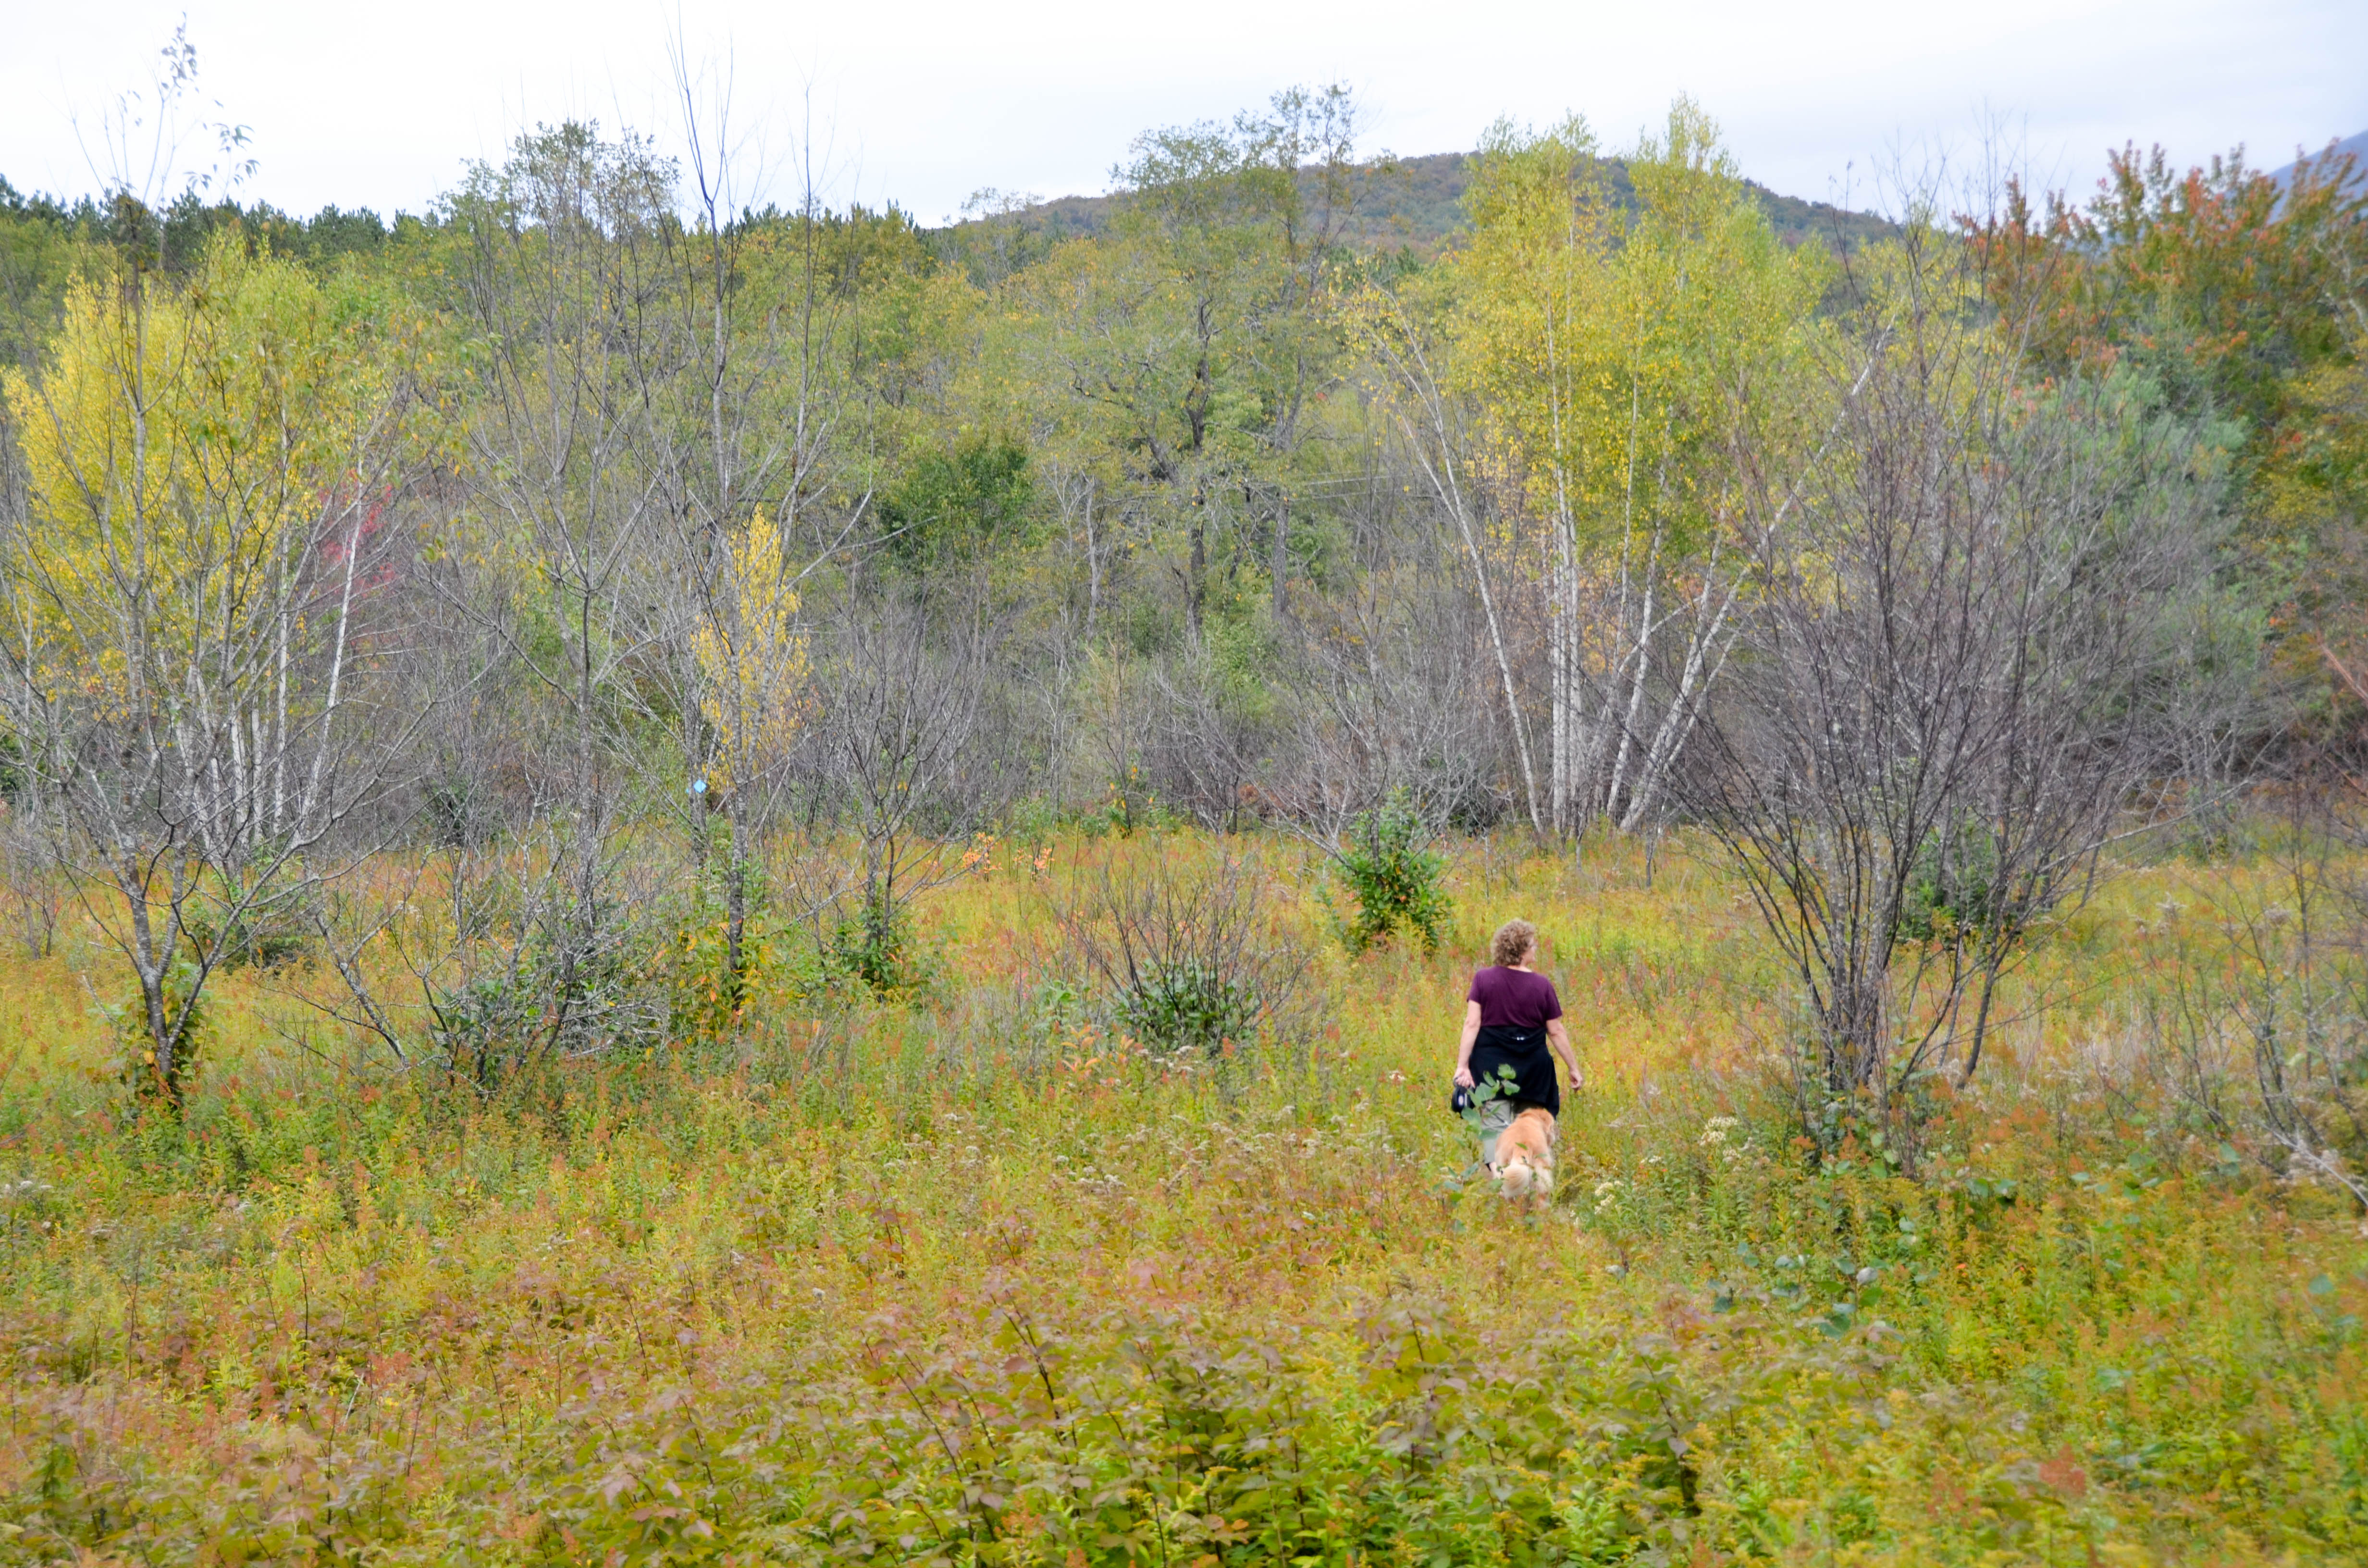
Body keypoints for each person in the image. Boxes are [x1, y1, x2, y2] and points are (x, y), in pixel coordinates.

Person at [1453, 919, 1581, 1165]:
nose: (1536, 949)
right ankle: (1533, 1183)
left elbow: (1472, 1024)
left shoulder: (1483, 980)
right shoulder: (1542, 985)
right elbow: (1555, 1031)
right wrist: (1573, 1068)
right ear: (1522, 950)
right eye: (1533, 945)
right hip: (1533, 1071)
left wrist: (1463, 1066)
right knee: (1533, 1127)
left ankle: (1502, 1186)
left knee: (1494, 1129)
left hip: (1491, 1070)